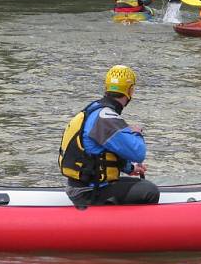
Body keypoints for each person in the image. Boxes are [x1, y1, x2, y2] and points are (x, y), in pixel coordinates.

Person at [58, 65, 160, 207]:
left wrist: (130, 168)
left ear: (106, 88)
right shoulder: (106, 118)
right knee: (149, 191)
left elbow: (100, 152)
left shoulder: (94, 110)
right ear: (130, 90)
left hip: (83, 186)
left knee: (141, 184)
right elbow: (138, 153)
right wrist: (137, 133)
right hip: (88, 192)